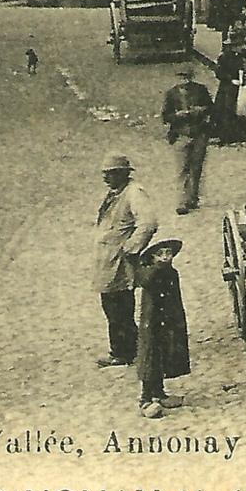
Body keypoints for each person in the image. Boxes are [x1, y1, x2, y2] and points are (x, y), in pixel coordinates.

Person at [93, 154, 159, 367]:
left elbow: (148, 223)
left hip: (120, 260)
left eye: (110, 173)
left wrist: (131, 248)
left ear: (122, 173)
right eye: (104, 174)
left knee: (119, 304)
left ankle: (125, 351)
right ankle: (124, 349)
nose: (105, 178)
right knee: (110, 304)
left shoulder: (134, 193)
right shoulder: (115, 193)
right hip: (108, 260)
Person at [134, 237, 191, 419]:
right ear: (152, 258)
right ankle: (145, 399)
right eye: (160, 254)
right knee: (151, 356)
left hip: (169, 320)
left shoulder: (172, 273)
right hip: (152, 322)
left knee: (165, 354)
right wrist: (157, 268)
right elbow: (144, 280)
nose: (166, 257)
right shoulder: (149, 273)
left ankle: (159, 393)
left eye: (168, 253)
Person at [161, 67, 213, 215]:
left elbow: (211, 108)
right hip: (180, 134)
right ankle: (182, 201)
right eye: (181, 76)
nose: (184, 80)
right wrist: (177, 115)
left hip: (199, 133)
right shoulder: (171, 94)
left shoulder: (201, 90)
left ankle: (193, 197)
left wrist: (200, 110)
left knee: (196, 167)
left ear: (192, 77)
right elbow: (166, 116)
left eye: (186, 77)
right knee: (183, 168)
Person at [212, 39, 246, 145]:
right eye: (241, 45)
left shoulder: (241, 58)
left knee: (239, 109)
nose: (244, 47)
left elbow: (244, 70)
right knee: (226, 109)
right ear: (234, 46)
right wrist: (230, 79)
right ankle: (225, 135)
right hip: (227, 87)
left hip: (239, 88)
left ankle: (237, 133)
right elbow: (219, 72)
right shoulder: (224, 57)